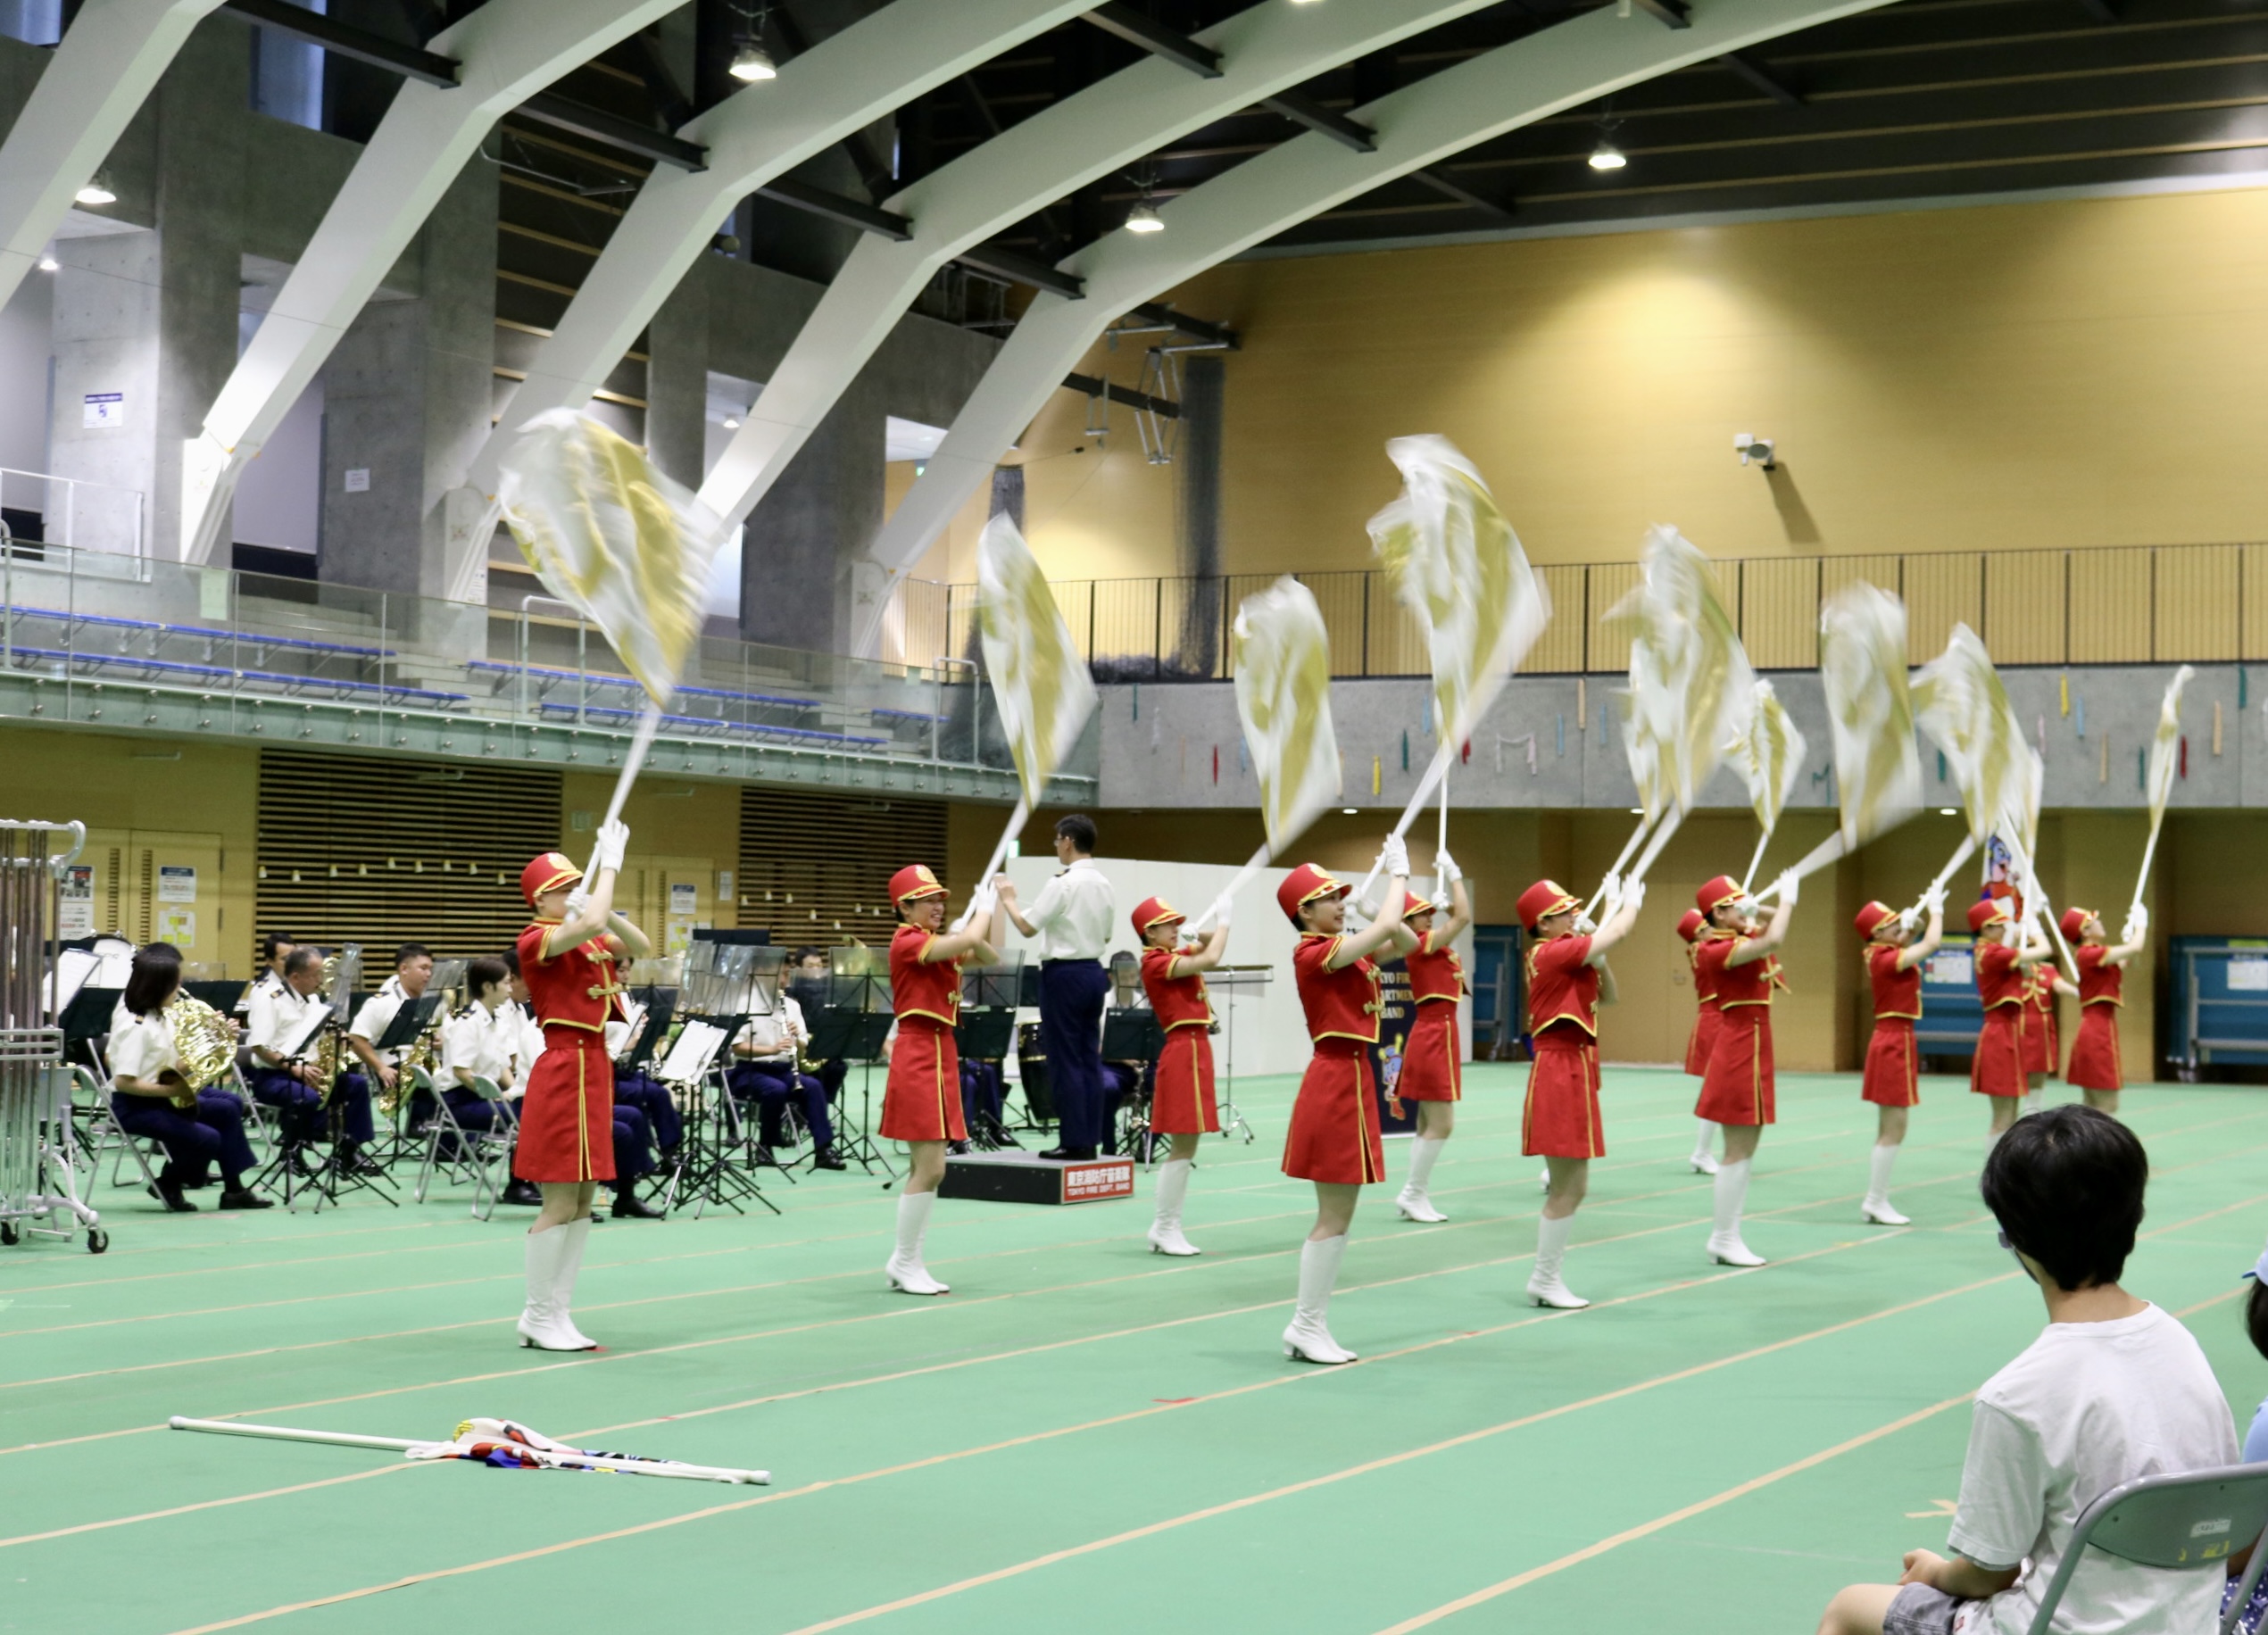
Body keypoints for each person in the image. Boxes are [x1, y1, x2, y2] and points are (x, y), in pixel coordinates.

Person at [1815, 1105, 2238, 1635]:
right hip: (2188, 1625)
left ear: (2014, 1236)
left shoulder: (2017, 1394)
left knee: (1849, 1608)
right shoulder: (2181, 1343)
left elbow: (1989, 1574)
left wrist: (1938, 1573)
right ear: (2133, 1216)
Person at [511, 826, 653, 1350]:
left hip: (595, 1068)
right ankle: (536, 1314)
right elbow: (589, 920)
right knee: (559, 1199)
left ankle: (558, 1312)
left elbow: (641, 945)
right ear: (540, 899)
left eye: (578, 882)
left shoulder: (590, 934)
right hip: (563, 1068)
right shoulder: (536, 939)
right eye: (563, 886)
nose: (573, 892)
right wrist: (609, 867)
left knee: (585, 1199)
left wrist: (603, 904)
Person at [1279, 846, 1417, 1365]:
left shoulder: (1344, 945)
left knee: (1343, 1212)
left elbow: (1403, 941)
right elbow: (1388, 931)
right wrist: (1399, 877)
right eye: (1326, 899)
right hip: (1335, 1079)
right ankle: (1305, 1323)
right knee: (1334, 1215)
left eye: (1338, 895)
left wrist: (1370, 906)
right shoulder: (1312, 953)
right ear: (1303, 915)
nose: (1337, 903)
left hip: (1354, 1077)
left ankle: (1310, 1323)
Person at [1516, 875, 1644, 1309]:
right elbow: (1621, 931)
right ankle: (1544, 1278)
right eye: (1565, 913)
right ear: (1544, 924)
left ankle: (1546, 1278)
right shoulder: (1551, 953)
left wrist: (1598, 944)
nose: (1574, 916)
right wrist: (1625, 904)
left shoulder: (1565, 954)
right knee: (1568, 1186)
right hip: (1558, 1067)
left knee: (1574, 1184)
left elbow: (1609, 997)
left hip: (1572, 1065)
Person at [882, 863, 997, 1295]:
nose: (937, 905)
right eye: (928, 899)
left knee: (926, 1168)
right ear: (904, 907)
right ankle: (904, 1260)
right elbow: (966, 942)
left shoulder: (932, 942)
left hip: (939, 1050)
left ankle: (908, 1260)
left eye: (940, 898)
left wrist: (972, 924)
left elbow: (988, 955)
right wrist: (976, 917)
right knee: (931, 1169)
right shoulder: (907, 940)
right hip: (917, 1052)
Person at [106, 942, 271, 1212]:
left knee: (229, 1108)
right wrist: (170, 1094)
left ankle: (234, 1190)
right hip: (135, 1105)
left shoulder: (162, 1018)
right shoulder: (136, 1026)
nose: (180, 987)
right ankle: (169, 1182)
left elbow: (177, 1067)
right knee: (208, 1138)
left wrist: (214, 1039)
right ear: (159, 987)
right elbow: (124, 1082)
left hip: (162, 1096)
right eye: (175, 983)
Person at [503, 947, 661, 1220]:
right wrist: (620, 1048)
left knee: (634, 1115)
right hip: (545, 1106)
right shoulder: (541, 1030)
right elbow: (561, 1076)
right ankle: (610, 1188)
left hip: (577, 1098)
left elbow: (640, 943)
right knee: (620, 1130)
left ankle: (626, 1195)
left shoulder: (579, 1026)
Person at [993, 814, 1113, 1162]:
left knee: (1064, 1061)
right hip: (1094, 972)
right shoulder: (1104, 883)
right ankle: (1091, 1138)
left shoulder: (1062, 883)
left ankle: (1073, 1142)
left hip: (1065, 974)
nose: (1057, 847)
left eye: (1057, 841)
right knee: (1089, 1058)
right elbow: (1105, 935)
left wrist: (1009, 899)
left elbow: (1027, 927)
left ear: (1067, 840)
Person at [1695, 872, 1797, 1267]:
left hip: (1753, 1043)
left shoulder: (1734, 937)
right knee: (1737, 1149)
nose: (1745, 909)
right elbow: (1773, 939)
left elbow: (1763, 926)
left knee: (1746, 1147)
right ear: (1719, 914)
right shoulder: (1715, 949)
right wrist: (1787, 899)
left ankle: (1729, 1234)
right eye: (1735, 905)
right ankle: (1723, 1236)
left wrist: (1759, 905)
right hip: (1738, 1045)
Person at [1133, 892, 1231, 1256]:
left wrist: (1199, 931)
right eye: (1167, 925)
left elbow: (1207, 949)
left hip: (1197, 1048)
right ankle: (1164, 1225)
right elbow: (1213, 956)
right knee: (1182, 1145)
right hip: (1182, 1049)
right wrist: (1224, 923)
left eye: (1176, 923)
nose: (1175, 929)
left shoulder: (1171, 955)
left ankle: (1167, 1225)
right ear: (1149, 932)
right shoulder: (1155, 962)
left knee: (1188, 1145)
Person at [1855, 888, 1945, 1225]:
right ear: (1877, 933)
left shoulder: (1887, 948)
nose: (1898, 927)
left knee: (1893, 1126)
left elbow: (1915, 929)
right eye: (1891, 923)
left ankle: (1876, 1199)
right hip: (1892, 1041)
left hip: (1897, 1038)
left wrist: (1916, 916)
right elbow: (1931, 943)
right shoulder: (1884, 957)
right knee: (1894, 1127)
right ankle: (1875, 1200)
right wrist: (1937, 910)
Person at [1390, 857, 1472, 1224]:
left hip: (1439, 1031)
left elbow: (1457, 917)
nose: (1429, 917)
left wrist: (1449, 903)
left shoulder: (1431, 944)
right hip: (1434, 1033)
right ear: (1407, 923)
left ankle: (1415, 1193)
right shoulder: (1421, 944)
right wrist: (1455, 877)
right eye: (1421, 913)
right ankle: (1411, 1192)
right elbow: (1464, 918)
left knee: (1426, 1124)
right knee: (1443, 1123)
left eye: (1429, 912)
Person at [244, 945, 377, 1168]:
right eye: (316, 975)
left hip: (309, 1071)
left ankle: (349, 1151)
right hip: (273, 1075)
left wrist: (338, 1038)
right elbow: (259, 1047)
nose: (321, 980)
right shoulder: (270, 999)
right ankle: (292, 1154)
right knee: (306, 1097)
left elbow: (323, 1034)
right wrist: (294, 1069)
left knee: (358, 1085)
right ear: (296, 976)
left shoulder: (314, 1000)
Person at [727, 983, 845, 1169]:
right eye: (782, 973)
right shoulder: (744, 1004)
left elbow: (803, 1045)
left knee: (813, 1086)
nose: (786, 980)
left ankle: (823, 1150)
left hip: (782, 1069)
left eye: (787, 974)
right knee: (775, 1089)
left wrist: (796, 1037)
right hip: (748, 1070)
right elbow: (737, 1046)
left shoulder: (791, 1005)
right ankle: (765, 1147)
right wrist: (771, 1049)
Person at [2061, 904, 2145, 1116]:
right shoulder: (2089, 954)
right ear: (2085, 932)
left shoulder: (2097, 955)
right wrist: (2143, 924)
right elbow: (2135, 949)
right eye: (2093, 921)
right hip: (2097, 1031)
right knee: (2107, 1106)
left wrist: (2131, 931)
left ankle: (2087, 1147)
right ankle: (2098, 1148)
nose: (2100, 922)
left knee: (2092, 1106)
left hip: (2098, 1027)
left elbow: (2131, 959)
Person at [1968, 897, 2038, 1149]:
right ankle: (1995, 1176)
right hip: (1999, 1034)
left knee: (2009, 1115)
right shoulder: (1993, 953)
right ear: (1986, 928)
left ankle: (2005, 1172)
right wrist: (2037, 929)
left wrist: (2022, 934)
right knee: (2003, 1117)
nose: (2005, 929)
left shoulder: (1989, 950)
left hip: (2006, 1030)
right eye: (2000, 925)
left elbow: (2028, 969)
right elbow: (2044, 951)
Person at [425, 956, 519, 1141]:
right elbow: (461, 1071)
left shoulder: (498, 1020)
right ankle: (518, 1170)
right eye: (506, 983)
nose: (510, 988)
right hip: (459, 1102)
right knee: (523, 1116)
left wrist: (514, 1092)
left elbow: (502, 1067)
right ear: (488, 987)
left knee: (531, 1109)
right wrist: (492, 1096)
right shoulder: (467, 1024)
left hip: (483, 1096)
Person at [346, 942, 436, 1113]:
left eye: (430, 969)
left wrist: (435, 1041)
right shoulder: (380, 1003)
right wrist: (381, 1068)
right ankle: (419, 1123)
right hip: (392, 1067)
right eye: (423, 968)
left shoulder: (428, 1002)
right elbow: (356, 1039)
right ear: (404, 969)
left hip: (420, 1063)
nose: (428, 974)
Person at [1678, 908, 1724, 1175]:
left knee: (1721, 1090)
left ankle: (1704, 1151)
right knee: (1715, 1089)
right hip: (1714, 1021)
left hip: (1720, 1018)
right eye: (1710, 926)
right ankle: (1702, 1152)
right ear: (1699, 934)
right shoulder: (1702, 951)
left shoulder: (1709, 948)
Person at [233, 931, 294, 1017]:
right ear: (270, 961)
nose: (292, 962)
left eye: (294, 957)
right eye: (285, 959)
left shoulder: (301, 986)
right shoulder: (263, 993)